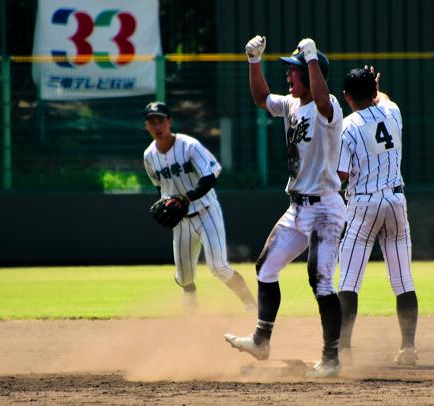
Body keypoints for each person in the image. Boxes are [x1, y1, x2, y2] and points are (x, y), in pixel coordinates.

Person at [223, 35, 346, 378]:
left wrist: (310, 57)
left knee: (320, 281)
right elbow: (262, 98)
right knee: (265, 268)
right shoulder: (292, 105)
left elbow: (321, 99)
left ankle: (331, 358)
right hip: (297, 208)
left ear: (312, 74)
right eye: (290, 71)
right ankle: (261, 340)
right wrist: (252, 61)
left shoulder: (329, 107)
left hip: (325, 209)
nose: (289, 76)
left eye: (295, 71)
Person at [336, 67, 419, 366]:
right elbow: (382, 98)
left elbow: (341, 174)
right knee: (402, 279)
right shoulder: (393, 112)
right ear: (374, 92)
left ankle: (343, 350)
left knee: (349, 279)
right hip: (396, 200)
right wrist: (376, 87)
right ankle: (408, 348)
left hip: (364, 204)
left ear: (346, 97)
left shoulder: (347, 126)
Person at [142, 101, 257, 313]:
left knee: (218, 266)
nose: (157, 126)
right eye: (152, 122)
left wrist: (187, 198)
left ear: (170, 122)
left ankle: (251, 305)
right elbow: (160, 187)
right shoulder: (149, 156)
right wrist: (167, 203)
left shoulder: (189, 146)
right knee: (184, 276)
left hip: (206, 212)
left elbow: (211, 175)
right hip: (181, 220)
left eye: (160, 121)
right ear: (146, 126)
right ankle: (192, 307)